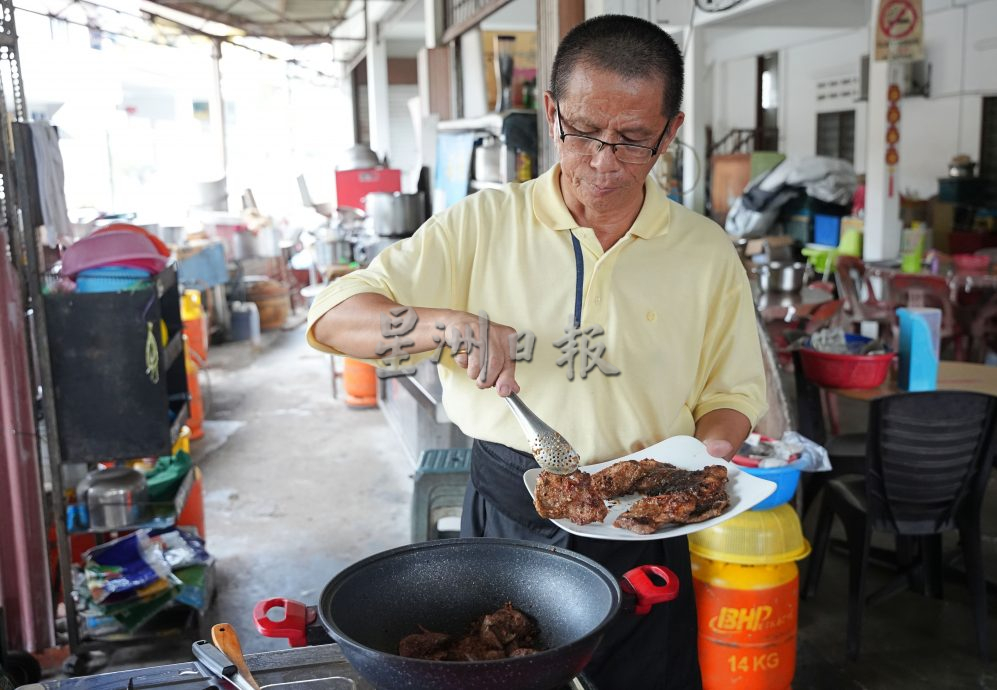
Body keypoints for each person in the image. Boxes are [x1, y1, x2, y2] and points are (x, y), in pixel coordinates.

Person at [307, 14, 766, 690]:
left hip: (651, 508)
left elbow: (731, 395)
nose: (603, 161)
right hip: (513, 506)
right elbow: (334, 318)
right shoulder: (480, 226)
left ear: (670, 131)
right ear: (550, 113)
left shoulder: (704, 252)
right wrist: (444, 325)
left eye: (634, 139)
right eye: (582, 132)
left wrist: (708, 462)